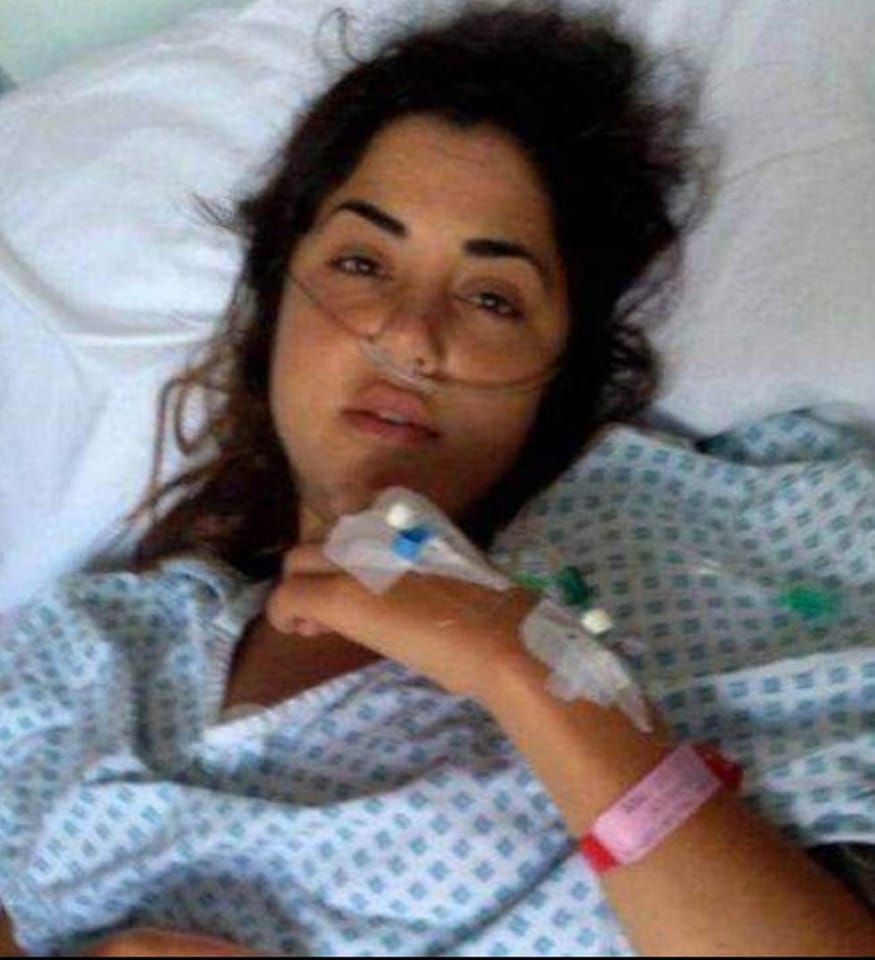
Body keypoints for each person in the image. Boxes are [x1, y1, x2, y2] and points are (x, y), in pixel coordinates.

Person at [1, 2, 873, 956]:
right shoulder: (95, 649)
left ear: (561, 369)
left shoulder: (705, 543)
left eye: (492, 297)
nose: (412, 337)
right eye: (361, 262)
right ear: (274, 300)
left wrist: (531, 668)